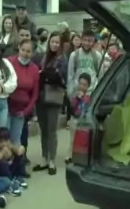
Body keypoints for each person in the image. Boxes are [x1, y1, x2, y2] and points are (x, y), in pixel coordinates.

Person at [33, 31, 68, 175]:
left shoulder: (62, 59)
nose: (54, 45)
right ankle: (44, 158)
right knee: (43, 129)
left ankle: (52, 160)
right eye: (52, 42)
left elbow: (61, 77)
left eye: (57, 42)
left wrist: (47, 74)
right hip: (41, 97)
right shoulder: (42, 57)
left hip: (54, 97)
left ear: (61, 44)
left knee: (52, 130)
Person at [7, 37, 39, 149]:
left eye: (28, 51)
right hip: (6, 108)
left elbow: (34, 95)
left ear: (32, 53)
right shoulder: (9, 62)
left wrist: (26, 111)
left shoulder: (34, 69)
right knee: (4, 139)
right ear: (18, 49)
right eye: (23, 50)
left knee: (16, 140)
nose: (25, 53)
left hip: (21, 111)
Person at [67, 29, 102, 98]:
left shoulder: (97, 56)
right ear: (81, 40)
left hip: (92, 92)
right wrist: (70, 94)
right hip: (77, 92)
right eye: (84, 40)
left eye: (89, 41)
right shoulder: (74, 55)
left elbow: (100, 75)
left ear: (93, 41)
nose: (87, 43)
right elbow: (70, 76)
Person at [65, 72, 91, 165]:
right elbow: (71, 107)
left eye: (84, 84)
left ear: (88, 86)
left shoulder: (88, 98)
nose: (81, 86)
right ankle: (69, 156)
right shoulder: (74, 95)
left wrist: (83, 98)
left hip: (83, 121)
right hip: (74, 119)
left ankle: (80, 155)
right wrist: (77, 98)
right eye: (80, 83)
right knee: (72, 139)